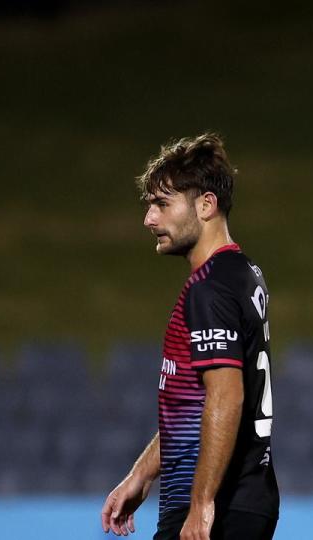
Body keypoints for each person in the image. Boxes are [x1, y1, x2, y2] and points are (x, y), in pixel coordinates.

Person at [101, 134, 279, 540]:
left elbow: (226, 396)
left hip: (218, 505)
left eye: (162, 204)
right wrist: (141, 476)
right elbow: (194, 407)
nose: (149, 219)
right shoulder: (242, 273)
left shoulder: (210, 288)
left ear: (206, 205)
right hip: (243, 499)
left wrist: (201, 506)